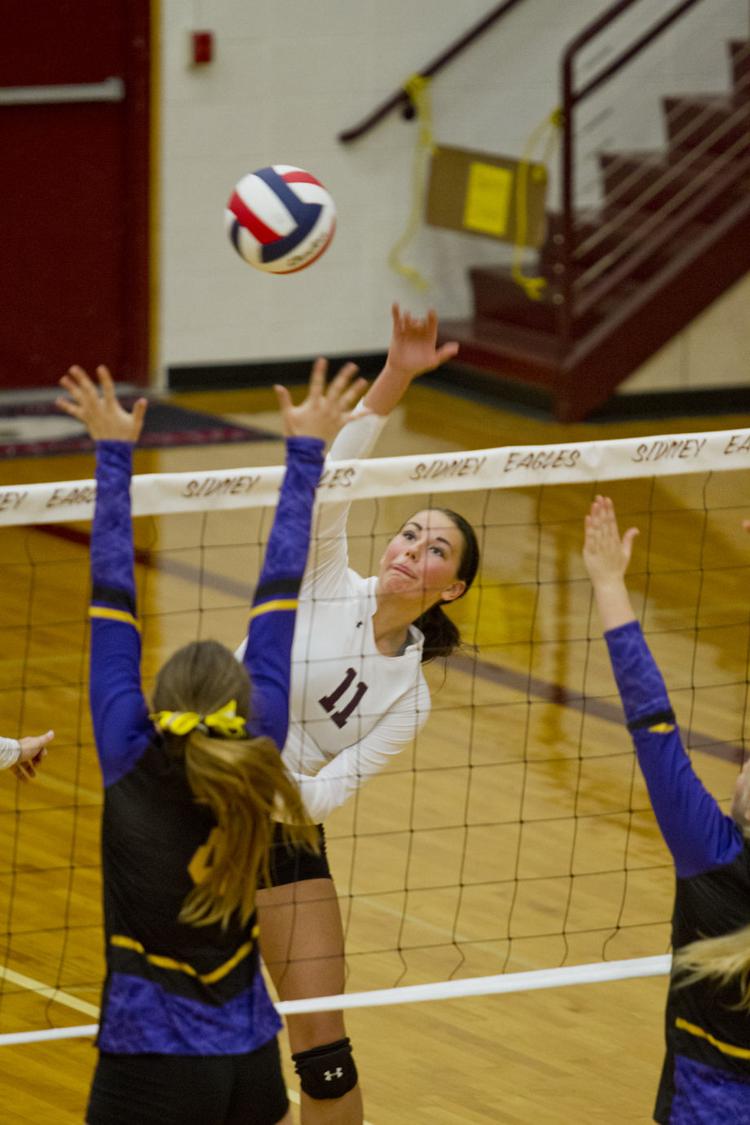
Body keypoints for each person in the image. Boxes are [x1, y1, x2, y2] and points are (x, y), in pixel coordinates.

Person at [56, 359, 366, 1125]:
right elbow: (278, 588)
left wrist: (113, 453)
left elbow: (111, 591)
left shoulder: (130, 748)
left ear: (157, 705)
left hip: (151, 1060)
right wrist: (306, 453)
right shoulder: (262, 746)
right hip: (251, 1060)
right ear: (243, 703)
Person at [245, 306, 481, 1124]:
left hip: (278, 822)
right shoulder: (320, 577)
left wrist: (270, 774)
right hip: (194, 800)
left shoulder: (410, 694)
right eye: (409, 533)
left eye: (434, 550)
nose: (409, 550)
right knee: (205, 1049)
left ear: (449, 588)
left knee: (326, 1059)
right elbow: (334, 477)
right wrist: (396, 377)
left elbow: (322, 796)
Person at [583, 493, 750, 1124]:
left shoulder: (711, 852)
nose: (741, 765)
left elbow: (651, 720)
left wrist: (608, 584)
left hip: (706, 1100)